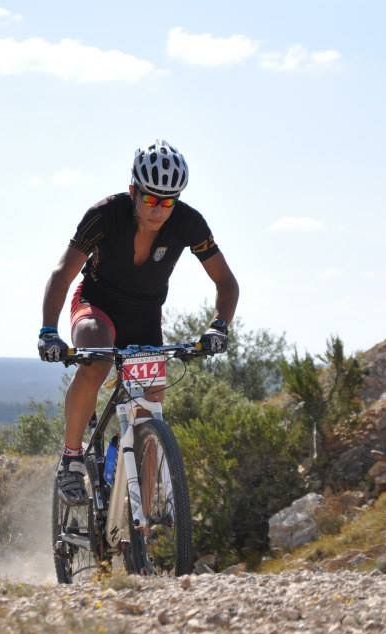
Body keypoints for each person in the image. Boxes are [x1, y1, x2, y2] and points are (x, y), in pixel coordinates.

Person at [38, 139, 239, 505]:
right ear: (133, 190)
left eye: (167, 201)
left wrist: (218, 327)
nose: (158, 209)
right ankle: (71, 459)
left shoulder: (189, 223)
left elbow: (226, 282)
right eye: (150, 199)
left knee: (151, 413)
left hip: (144, 319)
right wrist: (49, 332)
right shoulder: (105, 215)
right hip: (95, 306)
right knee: (97, 357)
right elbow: (62, 274)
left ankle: (139, 529)